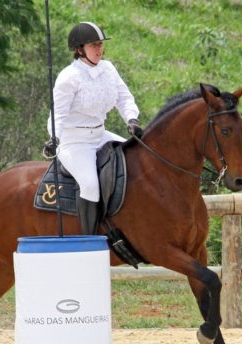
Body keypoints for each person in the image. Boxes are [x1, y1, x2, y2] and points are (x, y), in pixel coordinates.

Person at [44, 21, 143, 235]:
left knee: (138, 159)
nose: (99, 49)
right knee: (89, 185)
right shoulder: (68, 78)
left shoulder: (108, 69)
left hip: (100, 135)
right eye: (93, 45)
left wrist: (132, 119)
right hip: (75, 143)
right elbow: (57, 115)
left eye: (100, 44)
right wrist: (54, 139)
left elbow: (124, 98)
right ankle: (88, 239)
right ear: (80, 50)